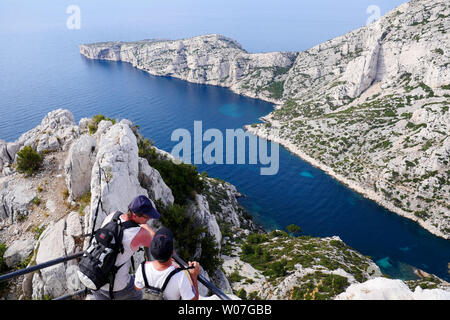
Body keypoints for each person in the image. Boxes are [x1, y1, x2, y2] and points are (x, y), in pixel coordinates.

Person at [90, 195, 159, 300]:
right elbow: (159, 244)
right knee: (138, 294)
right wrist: (146, 227)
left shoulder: (113, 215)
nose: (148, 219)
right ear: (135, 215)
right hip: (116, 287)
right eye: (146, 217)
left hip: (94, 277)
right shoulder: (139, 233)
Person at [134, 227, 201, 300]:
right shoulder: (180, 276)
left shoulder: (143, 267)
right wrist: (194, 276)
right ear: (172, 252)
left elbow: (138, 286)